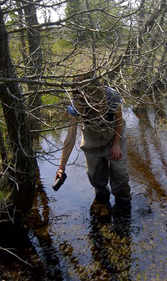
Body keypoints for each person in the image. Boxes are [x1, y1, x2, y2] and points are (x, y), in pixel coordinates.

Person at [55, 72, 131, 207]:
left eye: (86, 93)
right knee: (95, 177)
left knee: (120, 176)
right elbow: (70, 136)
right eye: (79, 94)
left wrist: (116, 144)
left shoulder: (111, 96)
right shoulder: (75, 106)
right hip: (92, 142)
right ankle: (102, 201)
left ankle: (123, 204)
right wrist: (61, 166)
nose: (83, 98)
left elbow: (119, 121)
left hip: (114, 137)